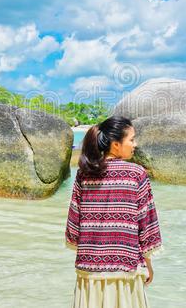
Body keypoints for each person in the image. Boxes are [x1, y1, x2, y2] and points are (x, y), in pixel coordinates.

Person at [65, 116, 162, 308]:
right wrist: (148, 264)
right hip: (125, 270)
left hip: (89, 271)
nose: (135, 144)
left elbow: (74, 224)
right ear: (116, 145)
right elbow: (147, 224)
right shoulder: (136, 174)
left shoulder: (84, 175)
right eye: (132, 139)